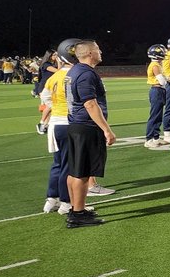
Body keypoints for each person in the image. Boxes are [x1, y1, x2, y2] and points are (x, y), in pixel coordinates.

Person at [64, 40, 117, 228]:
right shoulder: (86, 73)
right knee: (82, 172)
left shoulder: (75, 71)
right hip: (86, 127)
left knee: (75, 171)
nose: (100, 51)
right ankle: (78, 215)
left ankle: (76, 209)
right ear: (89, 53)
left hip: (76, 125)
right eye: (97, 49)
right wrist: (107, 129)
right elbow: (90, 104)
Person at [39, 39, 78, 215]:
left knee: (58, 163)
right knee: (69, 165)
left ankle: (51, 198)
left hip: (56, 122)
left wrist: (55, 107)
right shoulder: (76, 74)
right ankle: (66, 202)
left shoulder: (54, 76)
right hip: (68, 122)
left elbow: (45, 97)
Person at [144, 45, 169, 148]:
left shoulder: (157, 64)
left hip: (159, 90)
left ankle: (156, 137)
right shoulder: (155, 65)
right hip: (157, 90)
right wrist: (166, 78)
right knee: (155, 115)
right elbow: (162, 81)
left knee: (158, 115)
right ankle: (149, 139)